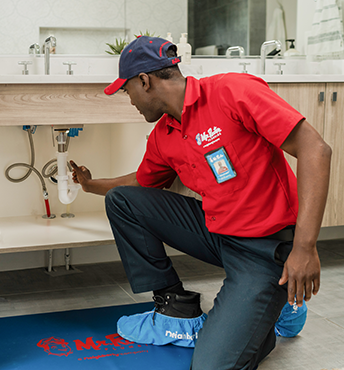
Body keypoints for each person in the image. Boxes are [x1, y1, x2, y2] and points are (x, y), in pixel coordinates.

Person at [70, 36, 332, 369]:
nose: (130, 100)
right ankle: (176, 309)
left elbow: (315, 149)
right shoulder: (164, 135)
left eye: (127, 90)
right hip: (219, 234)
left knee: (212, 366)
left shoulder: (232, 92)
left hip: (267, 248)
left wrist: (305, 248)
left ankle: (275, 304)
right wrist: (92, 186)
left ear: (145, 81)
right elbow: (140, 183)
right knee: (124, 202)